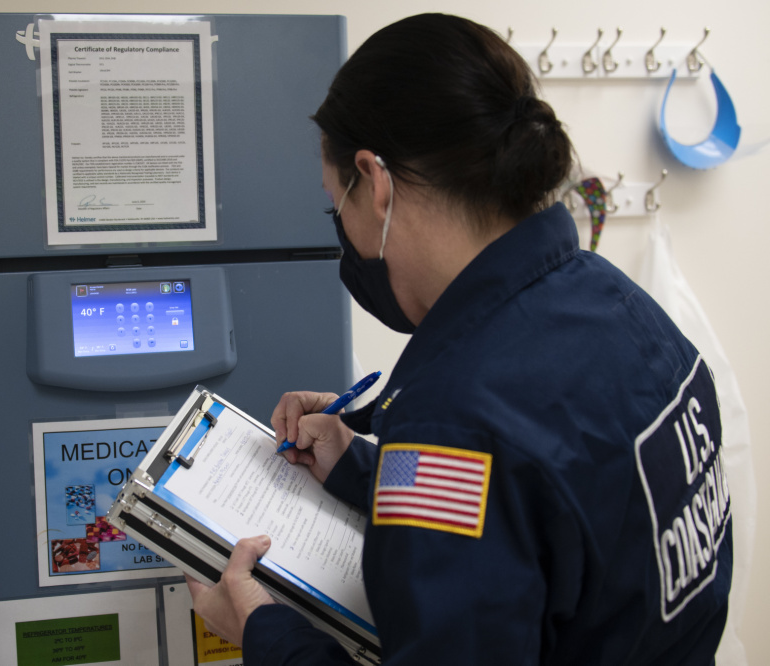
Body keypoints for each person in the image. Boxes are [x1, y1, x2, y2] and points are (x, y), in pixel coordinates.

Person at [186, 13, 732, 665]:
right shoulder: (619, 305)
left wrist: (265, 633)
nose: (346, 235)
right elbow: (543, 511)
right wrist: (360, 466)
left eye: (340, 208)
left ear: (377, 182)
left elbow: (490, 466)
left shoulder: (456, 415)